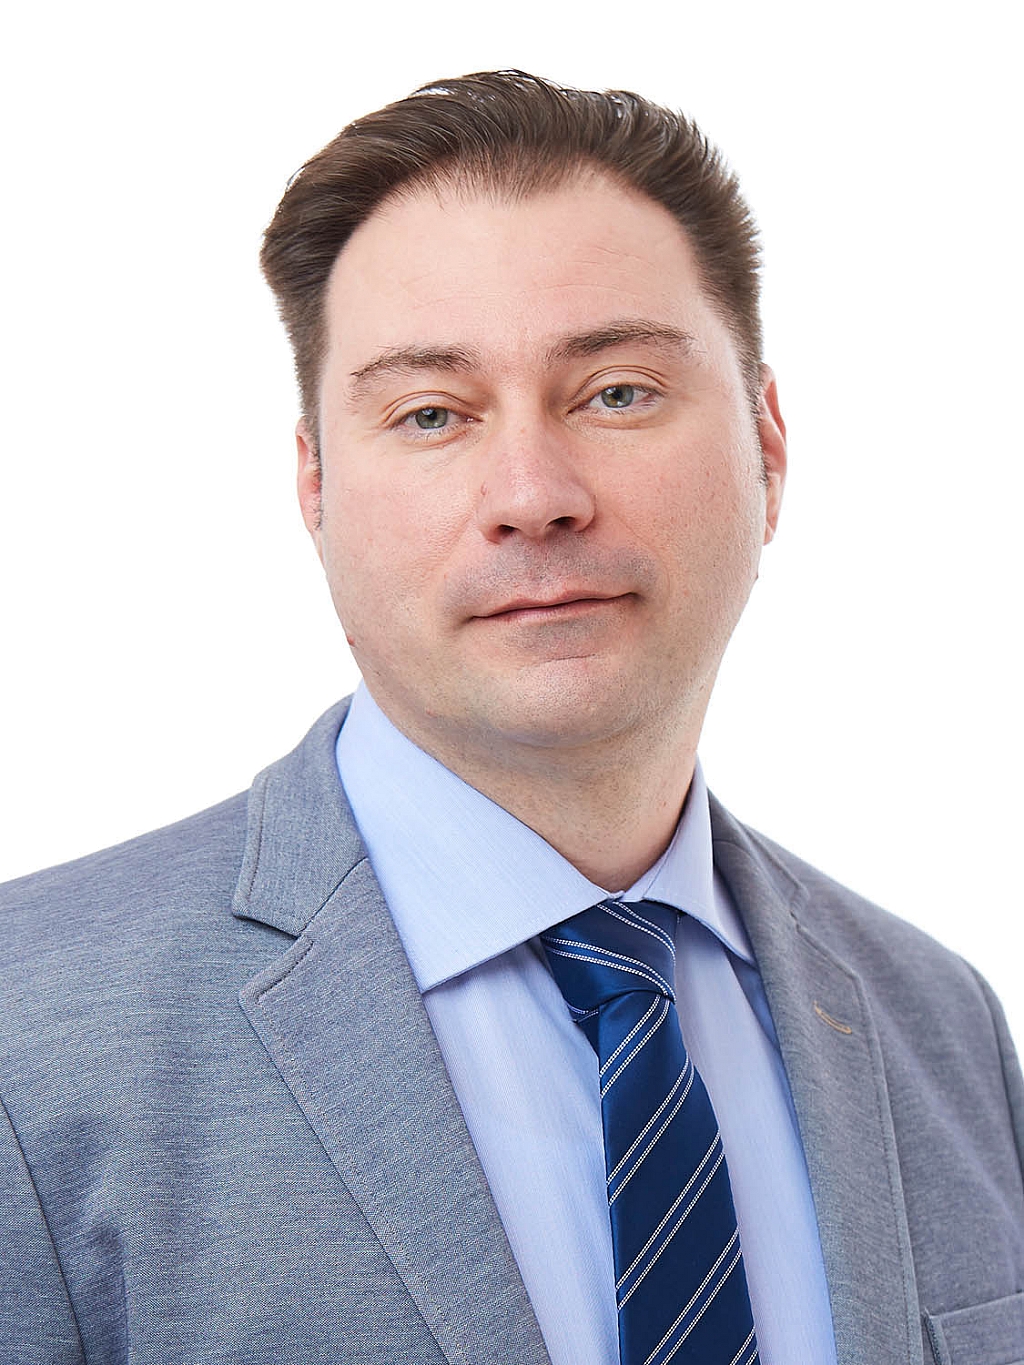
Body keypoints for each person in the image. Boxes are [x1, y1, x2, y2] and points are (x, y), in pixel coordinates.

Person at [1, 70, 1021, 1365]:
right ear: (313, 482)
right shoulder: (26, 1039)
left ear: (769, 443)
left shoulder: (944, 1026)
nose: (533, 495)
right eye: (432, 414)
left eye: (617, 392)